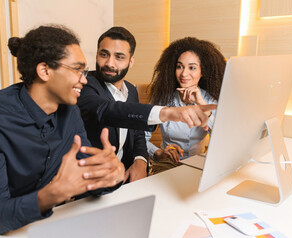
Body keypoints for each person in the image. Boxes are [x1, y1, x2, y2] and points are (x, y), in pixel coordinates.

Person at [0, 25, 125, 238]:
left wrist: (110, 175)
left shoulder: (70, 111)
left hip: (28, 221)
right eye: (77, 70)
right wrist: (54, 193)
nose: (84, 79)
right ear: (44, 70)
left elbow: (83, 176)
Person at [77, 27, 216, 183]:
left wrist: (140, 160)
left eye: (119, 57)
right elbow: (106, 110)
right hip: (95, 179)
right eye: (104, 54)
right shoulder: (83, 84)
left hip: (191, 167)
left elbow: (137, 135)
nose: (110, 63)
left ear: (131, 61)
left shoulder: (130, 90)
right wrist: (168, 114)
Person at [146, 37, 226, 173]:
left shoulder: (210, 99)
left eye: (192, 68)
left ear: (202, 72)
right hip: (167, 164)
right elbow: (140, 136)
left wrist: (202, 105)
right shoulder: (162, 98)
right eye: (179, 66)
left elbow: (223, 140)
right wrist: (159, 153)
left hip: (200, 164)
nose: (184, 73)